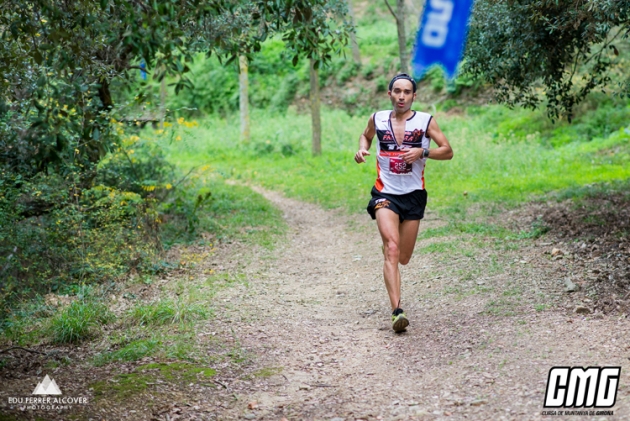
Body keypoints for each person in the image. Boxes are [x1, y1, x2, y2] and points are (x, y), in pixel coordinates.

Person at [354, 73, 453, 332]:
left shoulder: (425, 121)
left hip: (413, 195)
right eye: (397, 91)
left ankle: (392, 257)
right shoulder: (378, 118)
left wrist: (423, 151)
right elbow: (366, 136)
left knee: (404, 257)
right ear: (389, 94)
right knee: (392, 248)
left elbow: (448, 151)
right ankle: (397, 311)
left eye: (406, 92)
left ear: (413, 96)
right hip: (384, 193)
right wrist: (362, 149)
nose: (401, 96)